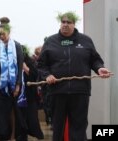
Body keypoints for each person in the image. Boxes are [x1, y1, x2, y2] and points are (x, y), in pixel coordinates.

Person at [37, 11, 111, 141]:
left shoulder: (85, 40)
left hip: (80, 91)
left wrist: (99, 68)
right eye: (63, 22)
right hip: (57, 91)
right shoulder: (51, 41)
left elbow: (95, 60)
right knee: (58, 127)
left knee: (79, 126)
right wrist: (47, 75)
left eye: (68, 22)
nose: (65, 25)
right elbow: (41, 65)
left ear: (74, 24)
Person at [0, 17, 25, 140]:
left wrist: (18, 85)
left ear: (9, 33)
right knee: (0, 113)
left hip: (13, 85)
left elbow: (20, 67)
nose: (1, 36)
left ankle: (14, 135)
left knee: (14, 112)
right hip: (0, 85)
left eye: (3, 34)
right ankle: (2, 135)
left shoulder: (17, 46)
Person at [21, 46, 44, 140]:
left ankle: (38, 134)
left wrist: (25, 67)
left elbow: (34, 76)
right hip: (19, 95)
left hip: (30, 94)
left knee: (32, 118)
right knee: (21, 118)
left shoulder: (30, 62)